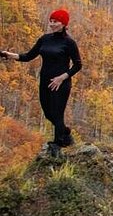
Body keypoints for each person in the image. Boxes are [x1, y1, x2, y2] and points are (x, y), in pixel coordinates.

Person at [1, 8, 81, 151]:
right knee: (48, 113)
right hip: (45, 81)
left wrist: (62, 78)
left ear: (63, 23)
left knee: (57, 113)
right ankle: (65, 132)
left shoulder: (69, 43)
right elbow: (28, 56)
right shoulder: (44, 39)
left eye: (55, 21)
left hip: (60, 83)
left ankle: (57, 144)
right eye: (50, 21)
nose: (51, 24)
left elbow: (78, 65)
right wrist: (8, 55)